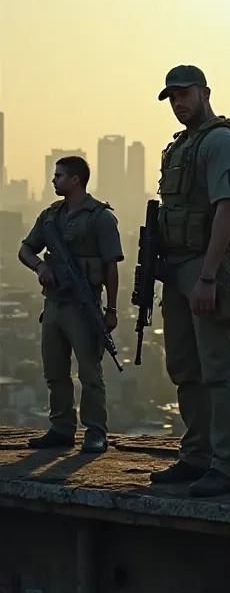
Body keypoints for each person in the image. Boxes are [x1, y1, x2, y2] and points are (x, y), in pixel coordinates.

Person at [150, 65, 230, 498]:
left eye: (184, 93)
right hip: (176, 267)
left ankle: (228, 466)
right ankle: (196, 455)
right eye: (172, 96)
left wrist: (208, 276)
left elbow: (229, 207)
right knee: (183, 367)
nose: (178, 103)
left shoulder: (221, 141)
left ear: (205, 91)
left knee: (216, 369)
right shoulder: (180, 147)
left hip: (206, 265)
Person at [18, 156, 123, 454]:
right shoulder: (50, 216)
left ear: (76, 180)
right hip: (53, 305)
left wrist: (112, 310)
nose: (54, 181)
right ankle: (62, 428)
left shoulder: (100, 217)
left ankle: (95, 431)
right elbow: (25, 249)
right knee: (55, 371)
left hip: (83, 305)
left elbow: (111, 266)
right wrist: (39, 267)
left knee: (90, 373)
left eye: (60, 176)